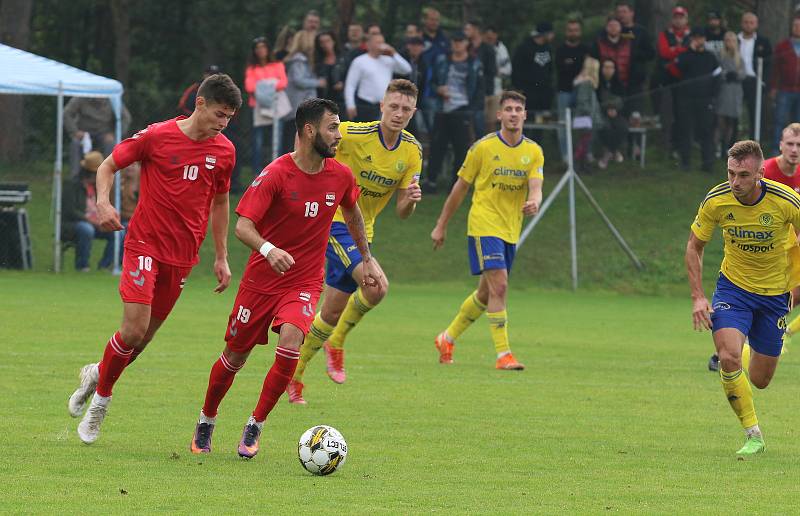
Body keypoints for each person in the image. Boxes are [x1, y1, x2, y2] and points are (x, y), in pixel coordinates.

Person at [189, 98, 378, 457]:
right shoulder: (277, 173)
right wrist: (268, 250)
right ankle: (207, 420)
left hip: (304, 281)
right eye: (332, 127)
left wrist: (366, 258)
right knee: (235, 357)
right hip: (261, 282)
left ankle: (255, 425)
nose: (339, 135)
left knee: (291, 342)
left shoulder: (340, 175)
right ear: (309, 131)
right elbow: (243, 226)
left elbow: (353, 213)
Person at [66, 74, 242, 444]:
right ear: (200, 104)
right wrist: (103, 203)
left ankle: (98, 373)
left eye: (229, 118)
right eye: (220, 114)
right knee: (132, 329)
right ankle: (100, 403)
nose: (223, 124)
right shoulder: (157, 136)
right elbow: (107, 166)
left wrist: (222, 256)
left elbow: (221, 202)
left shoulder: (224, 151)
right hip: (144, 245)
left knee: (141, 341)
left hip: (182, 258)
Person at [287, 80, 423, 404]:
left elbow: (404, 212)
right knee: (376, 286)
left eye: (405, 108)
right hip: (333, 222)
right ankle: (337, 343)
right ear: (382, 106)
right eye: (393, 106)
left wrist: (412, 200)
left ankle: (295, 377)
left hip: (363, 233)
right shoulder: (354, 133)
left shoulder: (412, 151)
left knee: (331, 313)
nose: (399, 113)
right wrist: (303, 170)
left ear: (413, 112)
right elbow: (311, 133)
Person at [686, 139, 800, 456]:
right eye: (731, 173)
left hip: (775, 295)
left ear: (760, 173)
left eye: (744, 175)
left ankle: (750, 347)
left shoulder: (786, 201)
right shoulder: (717, 200)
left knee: (761, 379)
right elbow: (694, 246)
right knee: (727, 357)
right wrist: (698, 297)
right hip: (733, 289)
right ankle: (753, 434)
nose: (736, 182)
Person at [430, 90, 543, 370]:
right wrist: (441, 225)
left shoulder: (533, 151)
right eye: (509, 109)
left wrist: (534, 203)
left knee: (486, 294)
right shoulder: (482, 148)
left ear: (525, 115)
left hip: (510, 229)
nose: (514, 114)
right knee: (501, 285)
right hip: (484, 224)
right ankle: (503, 354)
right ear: (499, 115)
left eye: (519, 109)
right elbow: (460, 188)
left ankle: (447, 337)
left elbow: (536, 188)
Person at [708, 125, 800, 372]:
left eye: (799, 146)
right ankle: (742, 341)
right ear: (780, 145)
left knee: (792, 293)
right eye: (790, 144)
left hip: (787, 250)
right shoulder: (765, 171)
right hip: (758, 251)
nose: (794, 150)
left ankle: (768, 336)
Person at [427, 31, 484, 192]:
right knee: (437, 145)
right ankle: (431, 181)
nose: (457, 44)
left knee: (461, 148)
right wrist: (438, 89)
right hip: (443, 109)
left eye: (460, 41)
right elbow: (431, 83)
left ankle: (456, 183)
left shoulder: (475, 63)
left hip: (463, 110)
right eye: (454, 41)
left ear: (467, 43)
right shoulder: (442, 60)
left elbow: (480, 89)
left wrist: (472, 110)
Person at [61, 150, 118, 272]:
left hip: (96, 223)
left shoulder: (99, 187)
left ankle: (105, 266)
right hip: (73, 225)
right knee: (86, 229)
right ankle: (82, 266)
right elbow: (70, 211)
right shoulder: (71, 185)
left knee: (117, 232)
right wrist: (91, 221)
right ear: (91, 173)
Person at [672, 27, 719, 172]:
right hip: (686, 99)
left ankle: (708, 164)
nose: (698, 40)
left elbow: (717, 76)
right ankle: (685, 163)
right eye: (696, 38)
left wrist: (713, 95)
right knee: (685, 130)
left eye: (701, 38)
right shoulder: (685, 55)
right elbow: (678, 67)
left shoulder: (710, 57)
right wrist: (690, 50)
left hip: (705, 100)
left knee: (706, 131)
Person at [344, 33, 411, 123]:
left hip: (384, 105)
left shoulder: (388, 60)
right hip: (365, 104)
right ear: (369, 44)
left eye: (383, 42)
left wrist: (394, 54)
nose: (382, 45)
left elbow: (407, 69)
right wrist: (350, 105)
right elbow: (350, 85)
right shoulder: (359, 61)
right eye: (378, 42)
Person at [245, 36, 288, 175]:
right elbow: (249, 87)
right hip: (258, 107)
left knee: (277, 138)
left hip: (276, 106)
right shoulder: (252, 68)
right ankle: (257, 172)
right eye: (258, 48)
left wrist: (262, 85)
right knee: (258, 140)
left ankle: (277, 169)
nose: (261, 50)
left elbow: (283, 83)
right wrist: (272, 83)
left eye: (263, 47)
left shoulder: (277, 64)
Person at [64, 97, 131, 179]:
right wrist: (75, 131)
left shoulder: (113, 99)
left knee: (111, 145)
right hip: (84, 134)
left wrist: (114, 134)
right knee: (75, 143)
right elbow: (67, 113)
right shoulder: (82, 97)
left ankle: (110, 177)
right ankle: (75, 177)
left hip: (104, 134)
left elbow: (126, 117)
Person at [284, 30, 326, 154]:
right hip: (297, 106)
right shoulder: (299, 61)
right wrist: (318, 82)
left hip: (302, 106)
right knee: (294, 138)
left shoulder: (305, 61)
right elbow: (298, 80)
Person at [655, 6, 690, 151]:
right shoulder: (665, 34)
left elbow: (690, 52)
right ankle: (666, 144)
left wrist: (674, 51)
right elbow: (663, 52)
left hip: (686, 79)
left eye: (681, 17)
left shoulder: (691, 34)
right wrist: (680, 51)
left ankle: (682, 143)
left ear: (686, 19)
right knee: (668, 113)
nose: (678, 20)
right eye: (676, 17)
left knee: (683, 113)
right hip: (668, 80)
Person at [555, 18, 589, 162]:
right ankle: (566, 156)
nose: (573, 33)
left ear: (580, 31)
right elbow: (562, 69)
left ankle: (583, 154)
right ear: (566, 32)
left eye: (575, 30)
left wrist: (573, 66)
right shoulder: (560, 49)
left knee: (583, 122)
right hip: (564, 91)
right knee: (563, 123)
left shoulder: (586, 49)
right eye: (570, 30)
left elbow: (587, 69)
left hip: (581, 91)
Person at [615, 2, 655, 116]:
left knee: (634, 114)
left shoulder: (641, 32)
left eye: (624, 12)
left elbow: (651, 54)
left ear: (631, 13)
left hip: (635, 81)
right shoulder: (614, 31)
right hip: (617, 81)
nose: (621, 15)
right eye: (619, 12)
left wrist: (634, 55)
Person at [738, 13, 771, 141]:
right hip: (737, 81)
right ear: (742, 23)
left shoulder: (763, 42)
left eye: (752, 22)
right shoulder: (735, 39)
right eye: (746, 22)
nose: (748, 25)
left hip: (754, 82)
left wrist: (763, 82)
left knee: (755, 114)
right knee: (736, 114)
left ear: (756, 25)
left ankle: (753, 143)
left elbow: (769, 64)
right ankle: (733, 143)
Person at [771, 16, 800, 154]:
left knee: (798, 124)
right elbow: (775, 69)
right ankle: (777, 149)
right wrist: (774, 87)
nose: (797, 28)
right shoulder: (783, 46)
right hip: (785, 89)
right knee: (780, 121)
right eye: (795, 25)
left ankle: (796, 151)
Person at [512, 23, 554, 114]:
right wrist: (518, 87)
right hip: (529, 90)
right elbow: (516, 68)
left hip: (544, 90)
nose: (552, 36)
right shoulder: (524, 47)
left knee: (543, 118)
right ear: (544, 34)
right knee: (529, 118)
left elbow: (550, 68)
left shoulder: (548, 48)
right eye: (551, 33)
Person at [464, 20, 497, 137]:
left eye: (468, 29)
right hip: (468, 92)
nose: (465, 32)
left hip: (485, 92)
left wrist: (487, 91)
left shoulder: (487, 49)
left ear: (476, 30)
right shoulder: (466, 47)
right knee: (469, 126)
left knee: (485, 124)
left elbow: (491, 71)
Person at [715, 32, 745, 155]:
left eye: (732, 40)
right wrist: (725, 74)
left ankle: (727, 147)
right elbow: (717, 71)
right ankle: (717, 146)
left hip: (735, 91)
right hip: (723, 90)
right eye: (727, 40)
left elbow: (743, 73)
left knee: (732, 120)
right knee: (720, 119)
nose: (730, 43)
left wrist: (736, 75)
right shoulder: (720, 55)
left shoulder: (739, 57)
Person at [571, 57, 601, 171]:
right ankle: (579, 165)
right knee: (584, 143)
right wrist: (590, 114)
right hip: (585, 118)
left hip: (584, 117)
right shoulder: (586, 83)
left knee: (584, 142)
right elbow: (583, 101)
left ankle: (582, 165)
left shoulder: (584, 82)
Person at [591, 17, 632, 95]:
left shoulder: (628, 44)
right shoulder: (598, 44)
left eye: (616, 25)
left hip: (626, 84)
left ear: (621, 28)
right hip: (604, 85)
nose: (613, 28)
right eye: (610, 26)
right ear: (606, 28)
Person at [483, 26, 512, 133]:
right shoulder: (480, 49)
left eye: (492, 37)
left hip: (496, 89)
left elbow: (508, 70)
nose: (490, 39)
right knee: (478, 120)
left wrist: (495, 72)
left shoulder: (501, 48)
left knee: (493, 120)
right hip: (481, 90)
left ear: (496, 36)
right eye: (487, 37)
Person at [315, 30, 346, 113]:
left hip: (341, 100)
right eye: (322, 42)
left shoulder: (343, 58)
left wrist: (343, 83)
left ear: (333, 41)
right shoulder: (317, 61)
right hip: (322, 101)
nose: (325, 44)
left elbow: (350, 76)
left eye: (328, 41)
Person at [597, 95, 627, 169]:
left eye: (613, 110)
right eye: (610, 110)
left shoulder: (621, 120)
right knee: (606, 130)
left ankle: (609, 153)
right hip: (606, 139)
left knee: (621, 129)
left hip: (617, 140)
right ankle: (614, 152)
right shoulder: (604, 120)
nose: (611, 112)